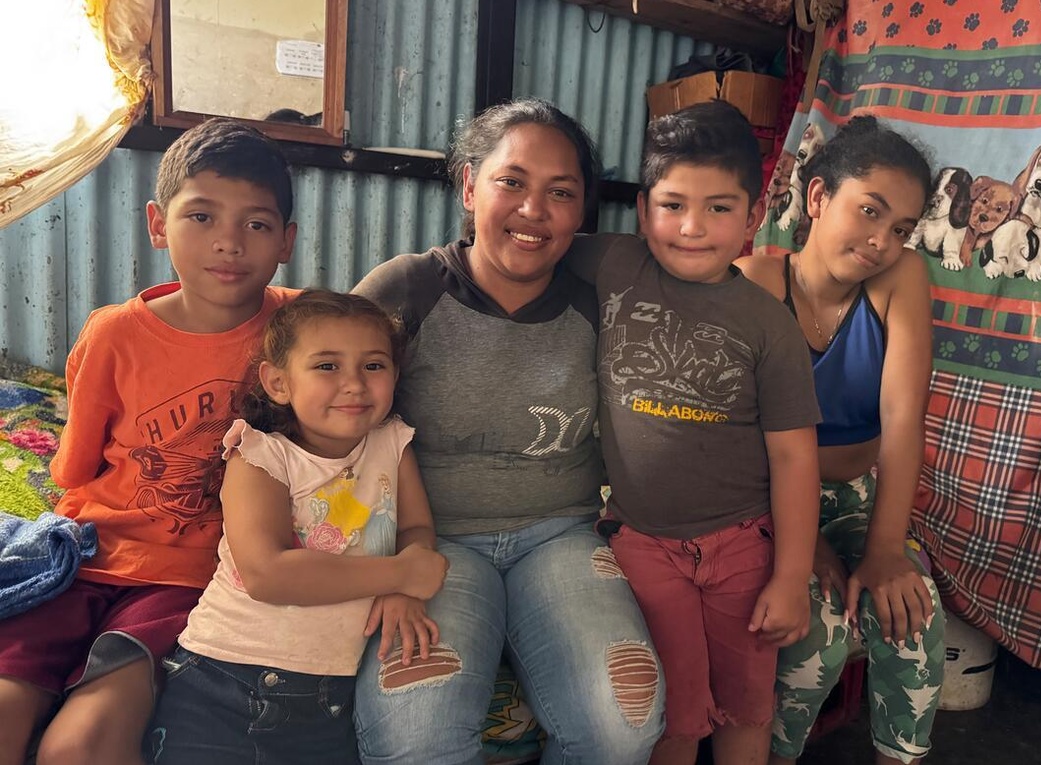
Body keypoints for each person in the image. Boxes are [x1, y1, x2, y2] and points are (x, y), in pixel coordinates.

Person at [351, 98, 664, 765]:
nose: (533, 209)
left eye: (561, 193)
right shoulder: (406, 290)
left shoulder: (601, 302)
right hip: (430, 539)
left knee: (624, 721)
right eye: (512, 182)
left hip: (561, 535)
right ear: (469, 186)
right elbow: (326, 416)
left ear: (581, 213)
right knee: (415, 738)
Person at [0, 118, 298, 765]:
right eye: (202, 216)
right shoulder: (113, 334)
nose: (228, 242)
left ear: (287, 241)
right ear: (158, 223)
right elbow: (75, 470)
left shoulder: (302, 331)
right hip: (77, 563)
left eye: (256, 223)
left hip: (188, 578)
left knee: (78, 744)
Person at [563, 100, 822, 765]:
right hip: (643, 543)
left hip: (742, 546)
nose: (692, 227)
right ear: (643, 207)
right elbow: (526, 248)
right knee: (670, 713)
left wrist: (791, 575)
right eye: (672, 205)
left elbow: (795, 456)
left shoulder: (768, 325)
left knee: (745, 704)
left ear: (754, 215)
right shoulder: (612, 264)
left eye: (718, 207)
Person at [148, 290, 449, 765]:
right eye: (327, 366)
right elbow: (269, 574)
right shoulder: (259, 456)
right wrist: (402, 575)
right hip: (224, 682)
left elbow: (415, 528)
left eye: (373, 366)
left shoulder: (392, 441)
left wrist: (406, 590)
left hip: (332, 698)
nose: (353, 384)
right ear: (278, 382)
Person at [737, 114, 947, 765]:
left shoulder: (900, 281)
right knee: (816, 634)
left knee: (914, 614)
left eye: (902, 228)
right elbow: (733, 441)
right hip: (761, 502)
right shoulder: (753, 284)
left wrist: (884, 547)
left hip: (858, 497)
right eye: (870, 211)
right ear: (819, 196)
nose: (883, 240)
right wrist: (811, 545)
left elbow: (903, 419)